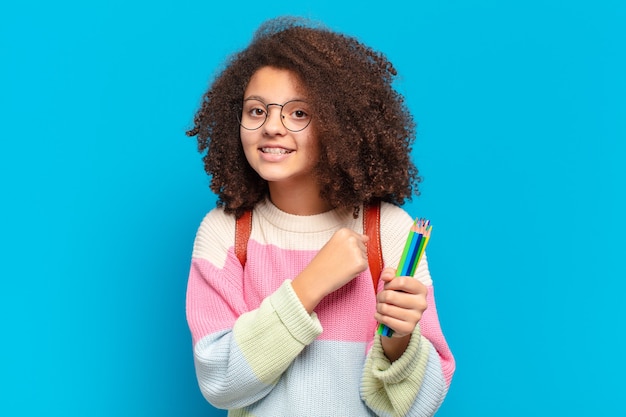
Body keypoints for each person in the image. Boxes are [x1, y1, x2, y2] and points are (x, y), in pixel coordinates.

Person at [185, 16, 455, 417]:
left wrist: (398, 341)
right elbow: (220, 382)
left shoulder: (391, 231)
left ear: (338, 124)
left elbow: (417, 407)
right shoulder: (225, 233)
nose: (272, 127)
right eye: (256, 110)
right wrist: (310, 285)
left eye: (297, 114)